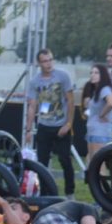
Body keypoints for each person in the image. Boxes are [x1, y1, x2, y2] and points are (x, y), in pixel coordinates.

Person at [24, 49, 76, 199]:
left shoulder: (62, 76)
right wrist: (29, 129)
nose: (48, 64)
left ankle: (70, 192)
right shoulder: (35, 82)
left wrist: (68, 124)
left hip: (61, 125)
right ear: (39, 63)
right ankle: (46, 194)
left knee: (65, 160)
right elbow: (32, 106)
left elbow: (70, 101)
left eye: (50, 60)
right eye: (45, 61)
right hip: (44, 126)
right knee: (42, 163)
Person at [81, 63, 112, 162]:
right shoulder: (95, 91)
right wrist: (87, 107)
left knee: (99, 163)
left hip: (100, 132)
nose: (93, 75)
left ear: (103, 75)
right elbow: (90, 112)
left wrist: (102, 114)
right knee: (91, 161)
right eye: (91, 72)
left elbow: (111, 102)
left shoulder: (104, 89)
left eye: (96, 73)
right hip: (92, 131)